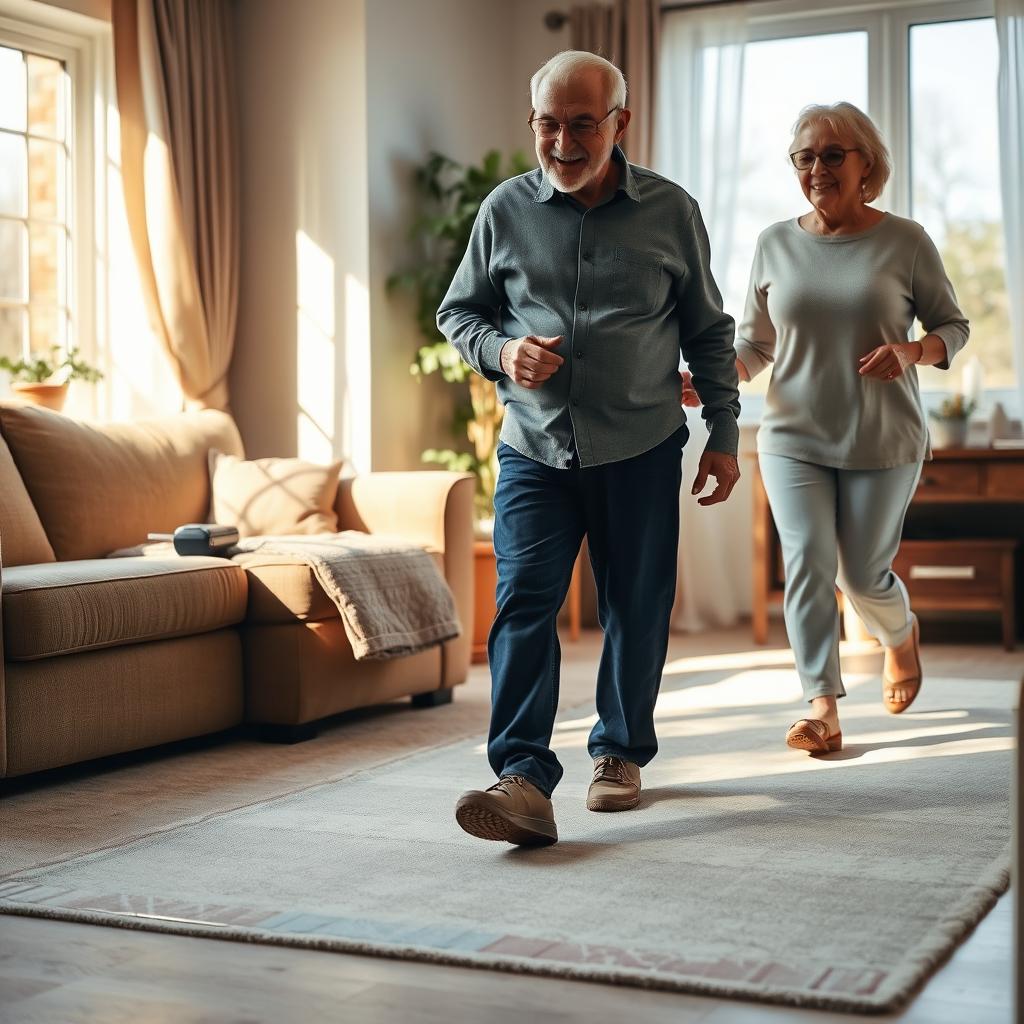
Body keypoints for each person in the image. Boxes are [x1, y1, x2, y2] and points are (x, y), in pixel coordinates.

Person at [436, 50, 741, 846]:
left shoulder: (671, 211)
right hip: (534, 449)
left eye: (583, 124)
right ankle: (524, 779)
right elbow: (459, 314)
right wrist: (503, 353)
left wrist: (725, 434)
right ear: (531, 122)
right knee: (524, 604)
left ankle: (618, 755)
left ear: (619, 124)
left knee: (634, 608)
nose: (564, 143)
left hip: (641, 445)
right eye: (549, 124)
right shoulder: (504, 210)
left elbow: (710, 333)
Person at [684, 101, 968, 755]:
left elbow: (953, 326)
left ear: (867, 163)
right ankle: (822, 708)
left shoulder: (906, 240)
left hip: (884, 436)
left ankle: (899, 636)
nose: (817, 168)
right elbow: (756, 347)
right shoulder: (774, 243)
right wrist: (713, 378)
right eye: (804, 157)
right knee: (809, 560)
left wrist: (912, 352)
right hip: (792, 437)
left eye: (832, 155)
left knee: (863, 575)